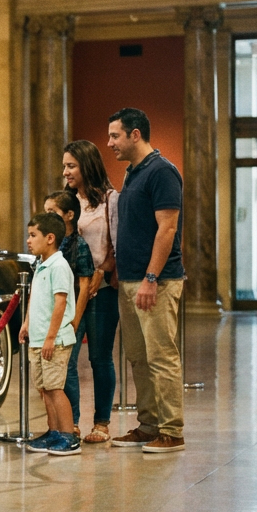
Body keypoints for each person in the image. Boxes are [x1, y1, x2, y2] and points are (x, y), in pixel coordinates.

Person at [106, 107, 186, 453]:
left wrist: (151, 278)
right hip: (129, 280)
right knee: (138, 357)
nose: (110, 143)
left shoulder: (162, 172)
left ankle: (172, 431)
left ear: (135, 134)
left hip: (156, 281)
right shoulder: (131, 173)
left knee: (161, 356)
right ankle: (149, 424)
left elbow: (167, 228)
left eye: (115, 136)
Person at [62, 140, 119, 444]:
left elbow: (117, 245)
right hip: (70, 290)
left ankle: (102, 423)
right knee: (68, 358)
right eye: (64, 166)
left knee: (100, 357)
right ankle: (71, 422)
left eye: (71, 166)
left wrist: (102, 271)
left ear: (87, 165)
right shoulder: (65, 201)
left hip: (102, 288)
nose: (66, 172)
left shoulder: (111, 200)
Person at [19, 212, 80, 456]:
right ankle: (53, 431)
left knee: (56, 388)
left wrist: (51, 337)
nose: (28, 240)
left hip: (54, 340)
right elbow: (36, 299)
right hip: (38, 338)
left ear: (51, 238)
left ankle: (68, 436)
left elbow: (60, 303)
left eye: (33, 235)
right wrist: (26, 323)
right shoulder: (41, 265)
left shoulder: (59, 265)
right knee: (44, 388)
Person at [44, 190, 95, 439]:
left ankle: (72, 421)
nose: (46, 217)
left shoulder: (79, 245)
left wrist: (75, 320)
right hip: (50, 314)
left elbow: (84, 285)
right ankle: (54, 424)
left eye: (52, 212)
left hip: (71, 314)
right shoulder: (49, 243)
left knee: (68, 366)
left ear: (69, 215)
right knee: (50, 370)